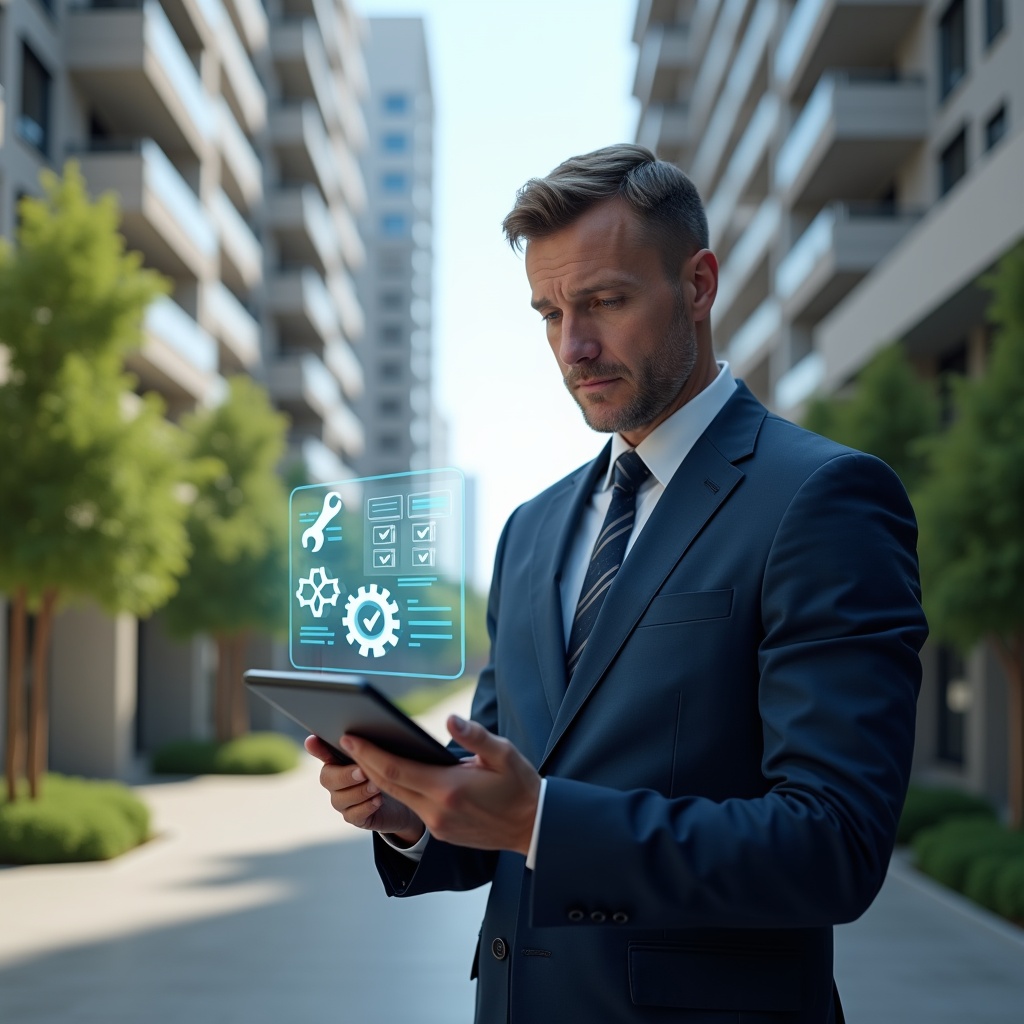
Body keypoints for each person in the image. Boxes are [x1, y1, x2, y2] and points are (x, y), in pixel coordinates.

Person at [306, 144, 927, 1023]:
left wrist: (540, 822)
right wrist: (411, 811)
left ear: (700, 285)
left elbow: (833, 845)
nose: (574, 346)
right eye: (549, 313)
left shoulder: (822, 498)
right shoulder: (532, 529)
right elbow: (512, 782)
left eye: (604, 302)